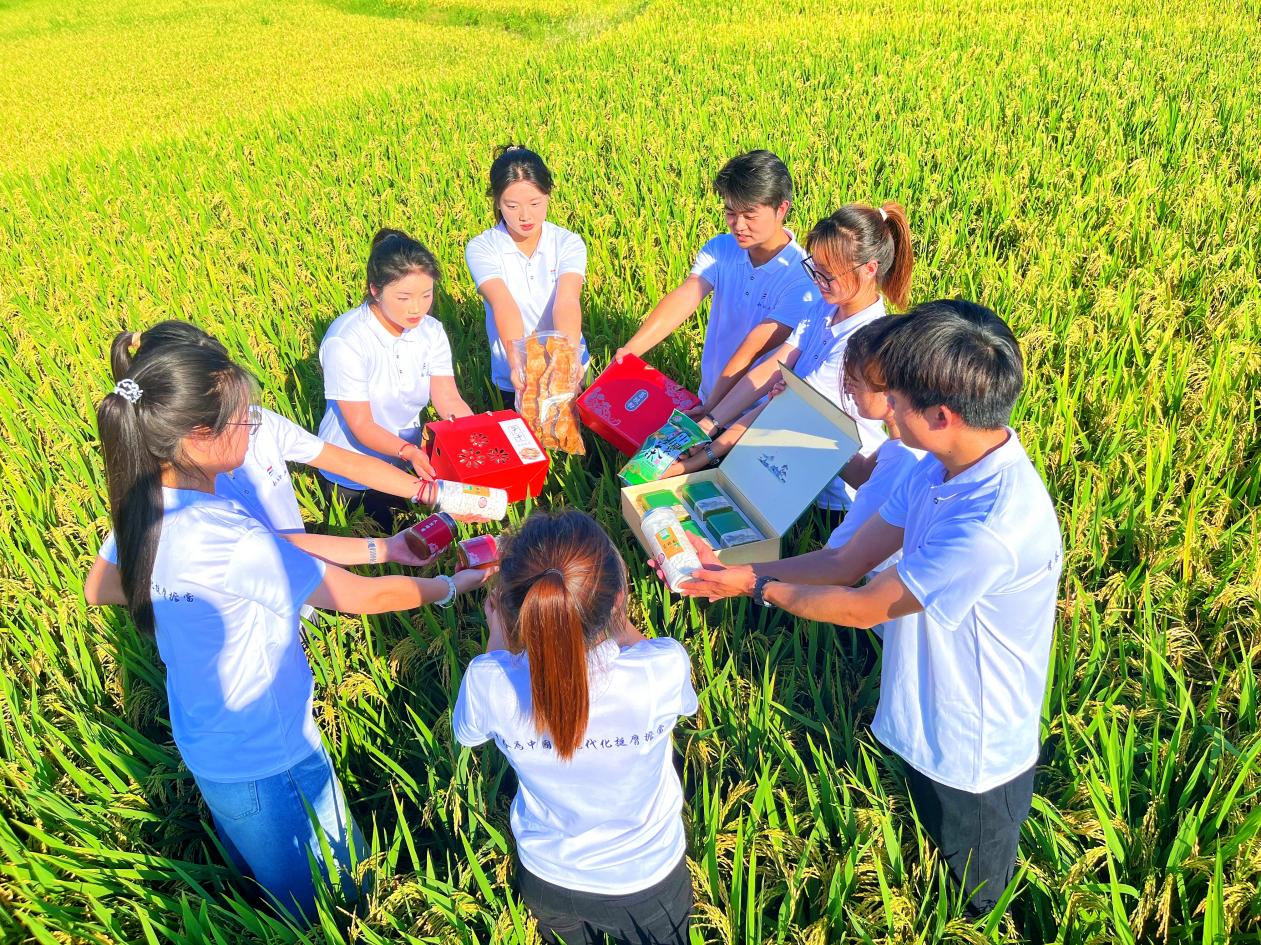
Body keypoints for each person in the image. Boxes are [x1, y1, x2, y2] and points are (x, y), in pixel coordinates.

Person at [665, 300, 1063, 917]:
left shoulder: (991, 523)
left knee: (971, 903)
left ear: (943, 413)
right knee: (922, 861)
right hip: (919, 710)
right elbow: (844, 564)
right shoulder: (935, 464)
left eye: (896, 404)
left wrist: (754, 589)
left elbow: (865, 606)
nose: (888, 418)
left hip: (975, 750)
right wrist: (738, 570)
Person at [91, 342, 492, 921]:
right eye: (240, 418)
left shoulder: (147, 507)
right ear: (197, 437)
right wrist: (456, 586)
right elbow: (359, 597)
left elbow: (106, 586)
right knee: (334, 903)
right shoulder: (232, 537)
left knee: (262, 870)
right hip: (272, 757)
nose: (253, 424)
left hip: (210, 741)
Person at [453, 510, 696, 944]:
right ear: (617, 599)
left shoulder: (489, 681)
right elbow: (676, 695)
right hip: (648, 877)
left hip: (549, 879)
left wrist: (498, 635)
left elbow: (468, 735)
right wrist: (617, 618)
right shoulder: (661, 670)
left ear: (512, 606)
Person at [664, 202, 914, 516]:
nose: (818, 281)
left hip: (830, 496)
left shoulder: (865, 342)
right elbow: (772, 368)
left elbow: (781, 407)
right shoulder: (825, 306)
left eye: (828, 274)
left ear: (870, 269)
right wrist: (711, 420)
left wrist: (704, 455)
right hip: (783, 464)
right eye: (814, 268)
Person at [613, 150, 817, 406]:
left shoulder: (802, 278)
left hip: (758, 410)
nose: (738, 225)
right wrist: (631, 351)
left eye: (750, 215)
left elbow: (753, 347)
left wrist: (713, 411)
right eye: (731, 212)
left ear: (781, 209)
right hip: (711, 396)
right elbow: (688, 295)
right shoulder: (721, 248)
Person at [318, 228, 475, 529]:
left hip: (407, 462)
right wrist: (409, 452)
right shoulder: (347, 339)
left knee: (421, 538)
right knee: (380, 544)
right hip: (354, 468)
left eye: (426, 295)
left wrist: (472, 438)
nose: (416, 308)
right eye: (403, 297)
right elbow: (361, 424)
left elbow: (447, 397)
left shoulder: (430, 331)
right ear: (375, 290)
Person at [465, 146, 588, 410]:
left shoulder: (567, 243)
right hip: (515, 375)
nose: (525, 216)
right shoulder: (482, 247)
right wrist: (519, 363)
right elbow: (502, 303)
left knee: (577, 446)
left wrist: (565, 360)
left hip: (566, 369)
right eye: (512, 205)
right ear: (497, 202)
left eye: (535, 203)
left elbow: (566, 301)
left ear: (548, 195)